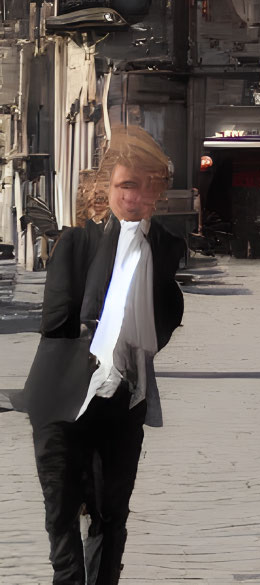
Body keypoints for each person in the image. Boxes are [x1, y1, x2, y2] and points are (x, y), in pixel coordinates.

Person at [22, 127, 186, 585]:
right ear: (105, 191)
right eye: (125, 185)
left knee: (110, 514)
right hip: (61, 396)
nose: (136, 196)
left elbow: (162, 322)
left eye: (146, 185)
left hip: (121, 401)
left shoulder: (164, 247)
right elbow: (55, 323)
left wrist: (138, 241)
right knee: (60, 511)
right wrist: (117, 240)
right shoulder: (77, 243)